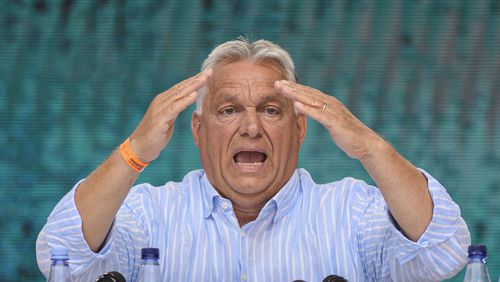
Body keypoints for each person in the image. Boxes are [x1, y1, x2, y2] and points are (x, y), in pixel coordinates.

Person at [36, 38, 470, 281]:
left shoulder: (351, 211)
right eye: (227, 110)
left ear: (300, 128)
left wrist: (369, 148)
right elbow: (62, 260)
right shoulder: (149, 212)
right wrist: (134, 153)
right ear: (197, 129)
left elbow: (445, 252)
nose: (250, 128)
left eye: (270, 109)